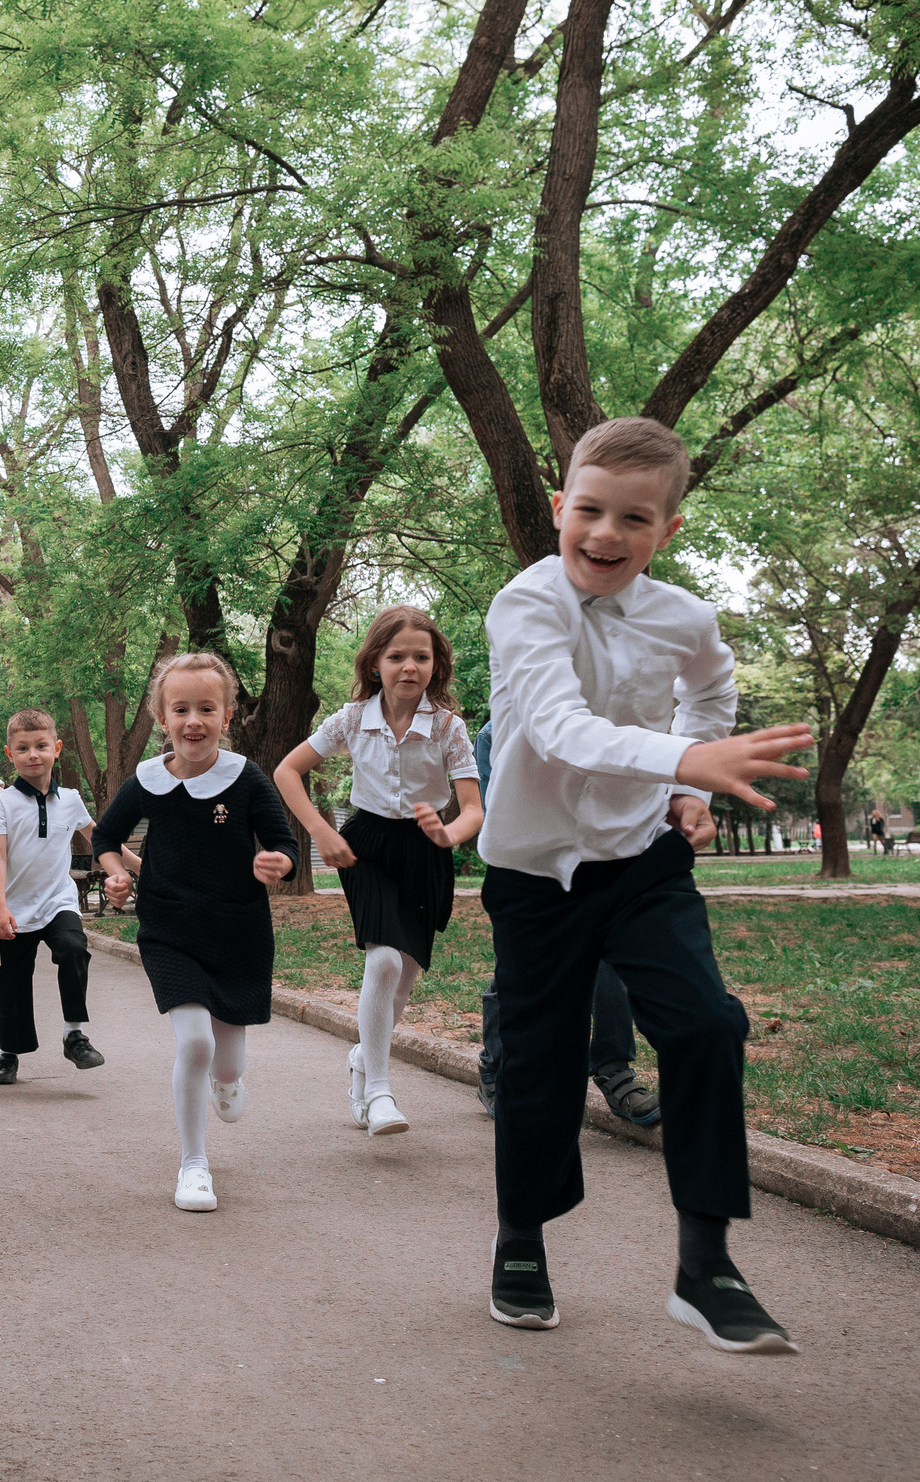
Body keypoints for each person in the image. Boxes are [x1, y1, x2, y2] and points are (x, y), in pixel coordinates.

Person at [479, 416, 812, 1354]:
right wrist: (690, 756)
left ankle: (704, 1263)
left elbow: (713, 688)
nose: (606, 534)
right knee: (540, 1062)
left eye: (634, 518)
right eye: (588, 510)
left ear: (666, 528)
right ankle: (521, 1240)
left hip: (641, 861)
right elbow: (558, 729)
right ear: (559, 507)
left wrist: (681, 786)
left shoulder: (685, 617)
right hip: (534, 869)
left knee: (708, 1021)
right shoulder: (525, 604)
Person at [93, 653, 298, 1213]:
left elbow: (285, 844)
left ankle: (227, 1082)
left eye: (206, 708)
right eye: (180, 708)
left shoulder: (246, 777)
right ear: (163, 717)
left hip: (237, 931)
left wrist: (276, 862)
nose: (193, 720)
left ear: (226, 715)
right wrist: (116, 874)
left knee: (227, 1061)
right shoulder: (148, 781)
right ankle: (193, 1165)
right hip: (169, 929)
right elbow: (105, 838)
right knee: (196, 1041)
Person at [273, 606, 481, 1137]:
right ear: (374, 665)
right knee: (383, 961)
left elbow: (473, 809)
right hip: (365, 847)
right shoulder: (350, 719)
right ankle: (381, 1091)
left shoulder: (449, 729)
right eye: (396, 656)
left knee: (402, 979)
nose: (409, 666)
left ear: (436, 665)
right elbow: (286, 771)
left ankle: (364, 1060)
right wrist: (323, 832)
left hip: (427, 850)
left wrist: (449, 835)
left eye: (421, 656)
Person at [471, 723, 662, 1129]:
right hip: (527, 858)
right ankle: (498, 1065)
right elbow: (498, 810)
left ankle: (613, 1069)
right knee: (525, 962)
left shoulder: (602, 722)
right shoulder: (496, 732)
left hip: (599, 856)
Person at [0, 709, 103, 1085]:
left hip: (58, 900)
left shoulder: (72, 800)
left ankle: (74, 1034)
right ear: (10, 753)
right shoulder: (4, 803)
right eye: (23, 748)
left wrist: (137, 868)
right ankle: (9, 1054)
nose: (33, 754)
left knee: (73, 949)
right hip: (17, 907)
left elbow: (101, 840)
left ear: (57, 749)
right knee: (13, 976)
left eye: (41, 746)